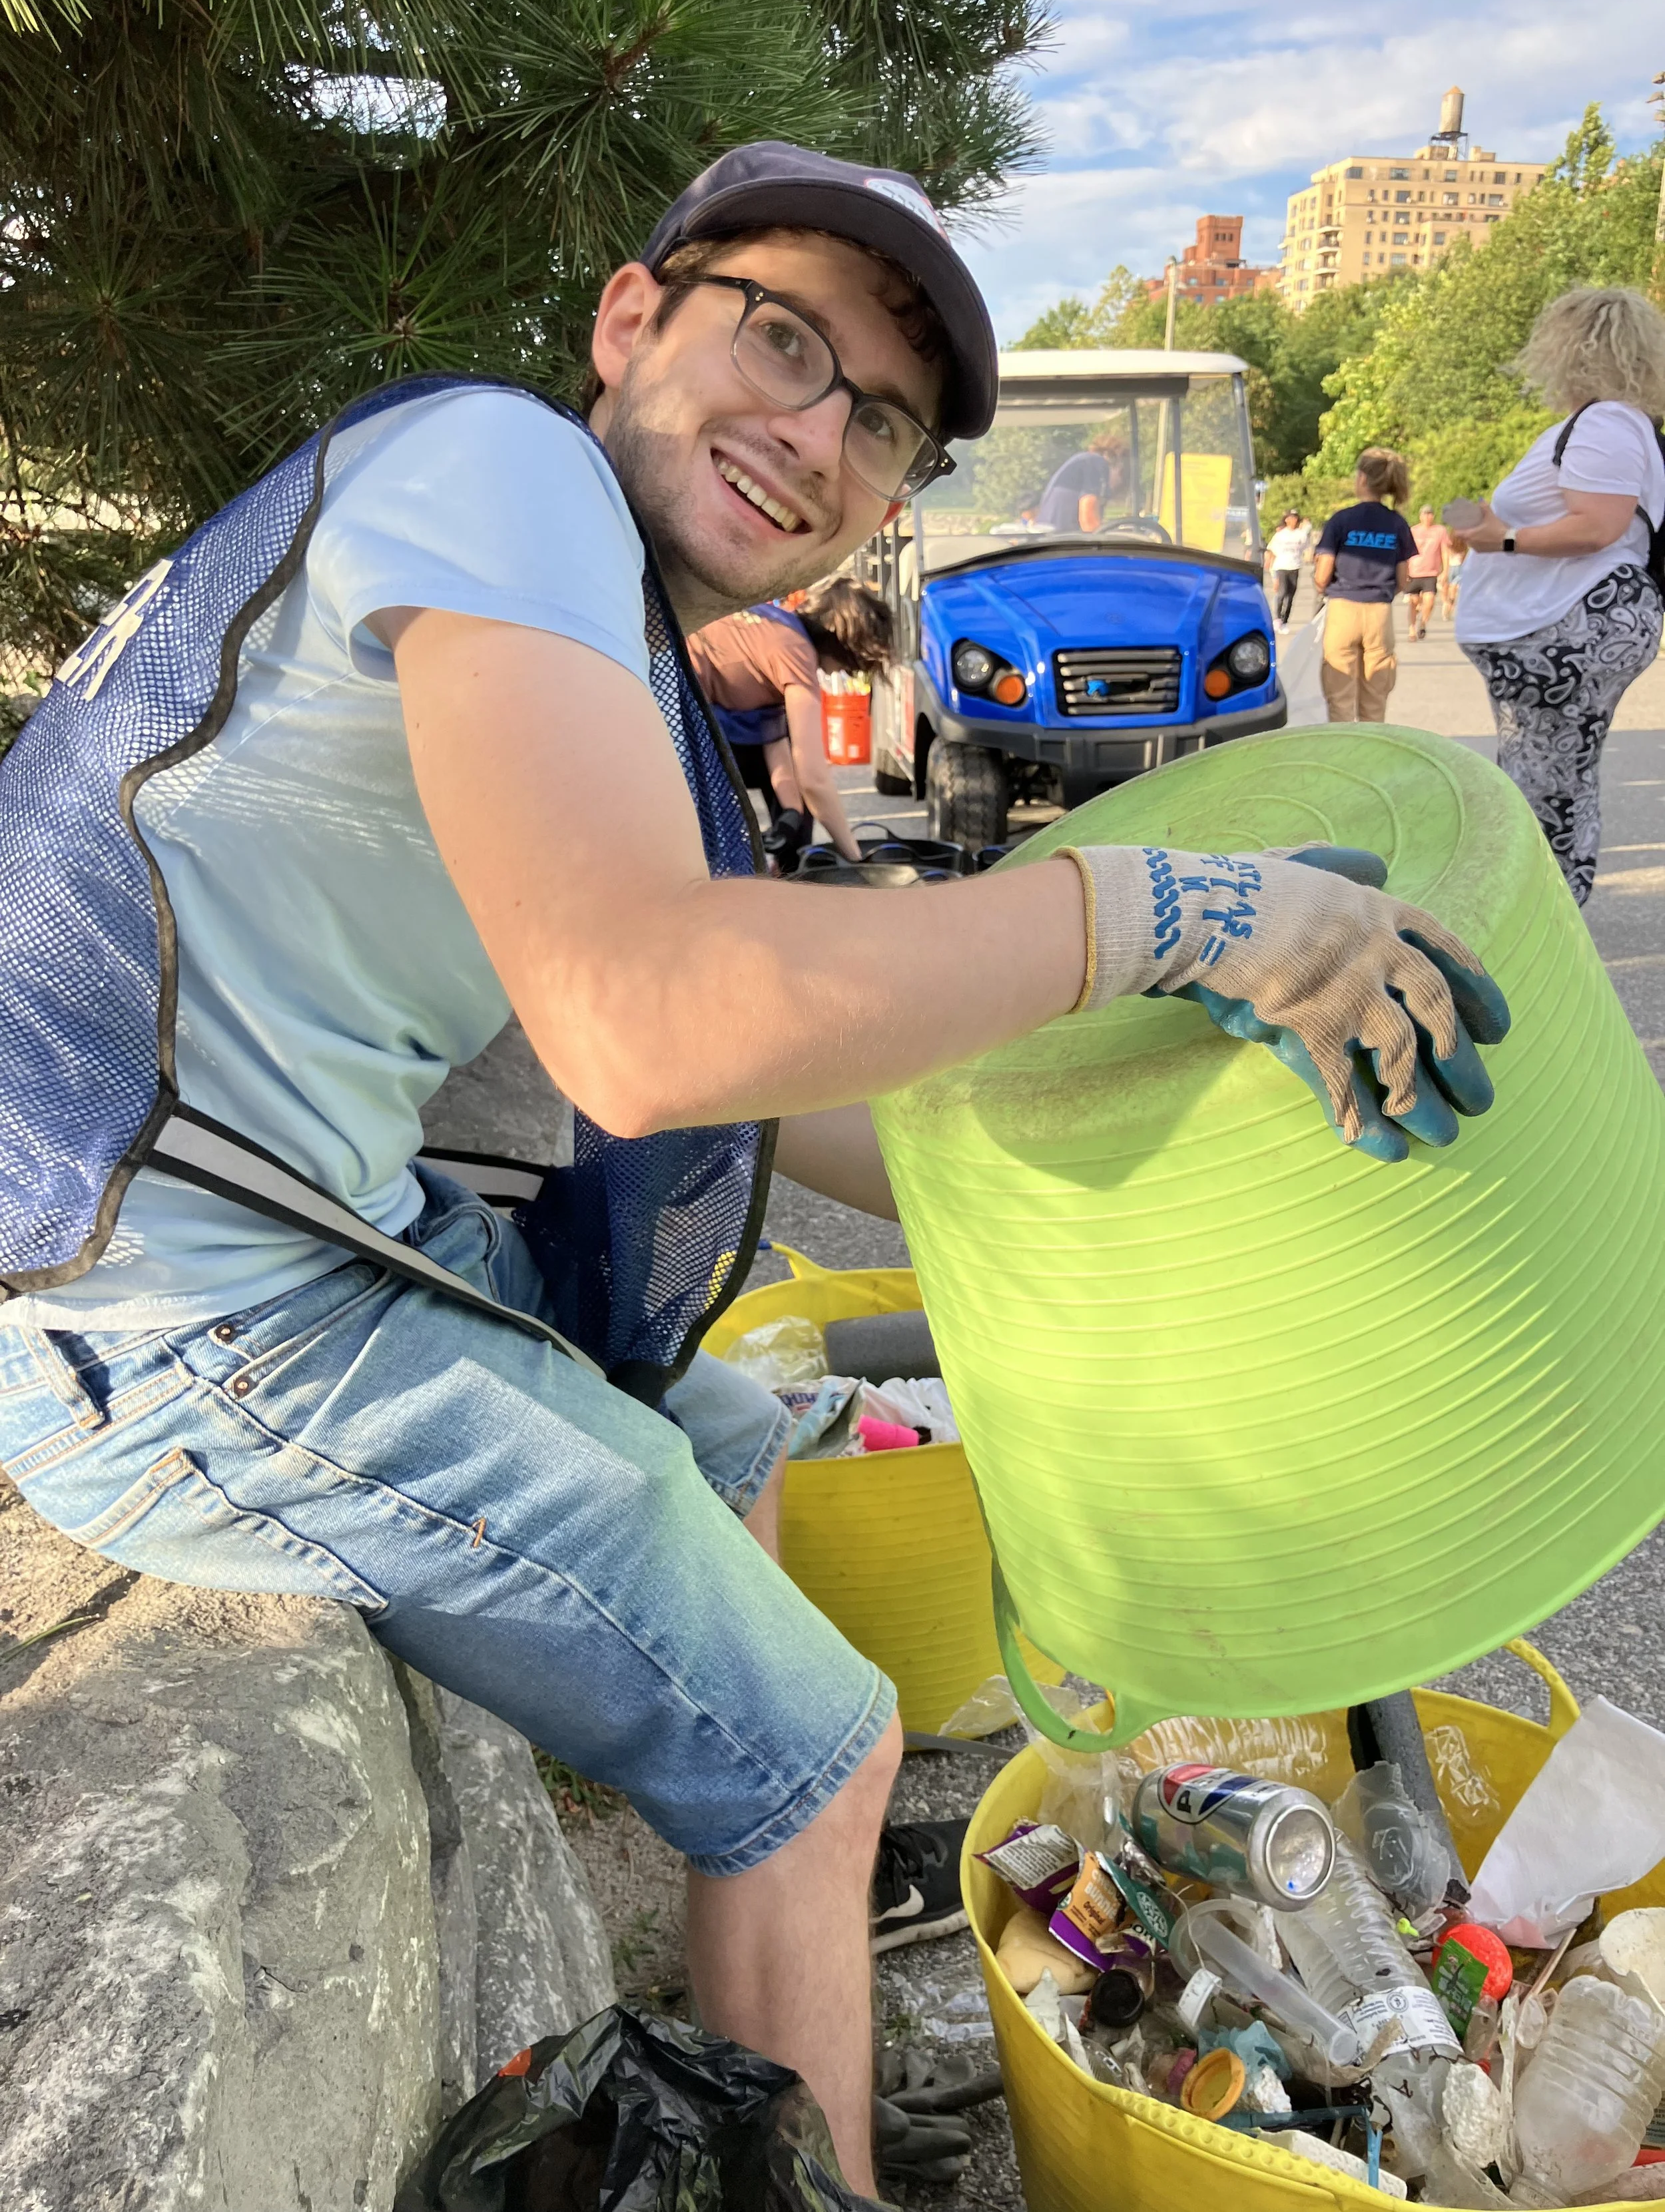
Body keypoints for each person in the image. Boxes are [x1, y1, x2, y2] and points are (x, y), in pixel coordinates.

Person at [0, 141, 1510, 2190]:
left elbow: (724, 1094)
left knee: (727, 1426)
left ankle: (748, 2007)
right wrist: (1171, 910)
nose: (815, 433)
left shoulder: (586, 641)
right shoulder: (500, 470)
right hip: (152, 1302)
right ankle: (807, 2047)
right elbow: (648, 1013)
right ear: (631, 323)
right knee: (811, 1747)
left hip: (263, 1225)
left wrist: (1181, 1133)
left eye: (876, 422)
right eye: (780, 340)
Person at [1451, 285, 1665, 906]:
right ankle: (1547, 918)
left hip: (1569, 627)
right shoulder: (1608, 425)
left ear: (1572, 348)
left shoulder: (1605, 423)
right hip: (1571, 626)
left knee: (1546, 784)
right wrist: (1492, 528)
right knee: (1556, 778)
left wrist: (1504, 538)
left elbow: (1597, 525)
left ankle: (1537, 922)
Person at [689, 578, 890, 871]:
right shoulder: (796, 650)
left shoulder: (777, 628)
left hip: (697, 712)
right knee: (724, 841)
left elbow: (773, 740)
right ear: (844, 643)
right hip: (679, 714)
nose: (845, 673)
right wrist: (855, 859)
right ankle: (783, 880)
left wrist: (791, 813)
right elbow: (814, 779)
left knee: (799, 809)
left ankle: (786, 870)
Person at [1312, 448, 1417, 721]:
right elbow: (1404, 580)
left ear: (1361, 479)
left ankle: (1343, 755)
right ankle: (1371, 756)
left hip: (1343, 611)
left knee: (1340, 697)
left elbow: (1322, 575)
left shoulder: (1341, 520)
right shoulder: (1398, 524)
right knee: (1375, 698)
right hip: (1379, 614)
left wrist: (1324, 586)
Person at [1036, 426, 1129, 533]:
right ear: (1119, 466)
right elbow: (1089, 522)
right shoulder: (1096, 463)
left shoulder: (1083, 463)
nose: (1120, 481)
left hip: (1053, 540)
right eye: (1123, 474)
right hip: (1060, 543)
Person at [1405, 504, 1451, 641]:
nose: (1427, 517)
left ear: (1433, 516)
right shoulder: (1413, 531)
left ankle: (1423, 624)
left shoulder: (1440, 531)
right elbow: (1406, 551)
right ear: (1420, 516)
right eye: (1425, 514)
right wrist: (1404, 571)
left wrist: (1446, 571)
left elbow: (1445, 551)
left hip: (1431, 573)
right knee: (1413, 602)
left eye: (1430, 514)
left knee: (1430, 601)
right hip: (1414, 572)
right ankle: (1411, 628)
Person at [1263, 508, 1311, 626]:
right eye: (1291, 518)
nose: (1294, 520)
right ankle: (1277, 618)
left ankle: (1285, 620)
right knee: (1282, 593)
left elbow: (1306, 547)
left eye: (1296, 518)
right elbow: (1272, 550)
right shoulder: (1280, 535)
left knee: (1291, 595)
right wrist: (1269, 564)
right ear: (1287, 520)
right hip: (1282, 566)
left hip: (1295, 567)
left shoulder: (1301, 535)